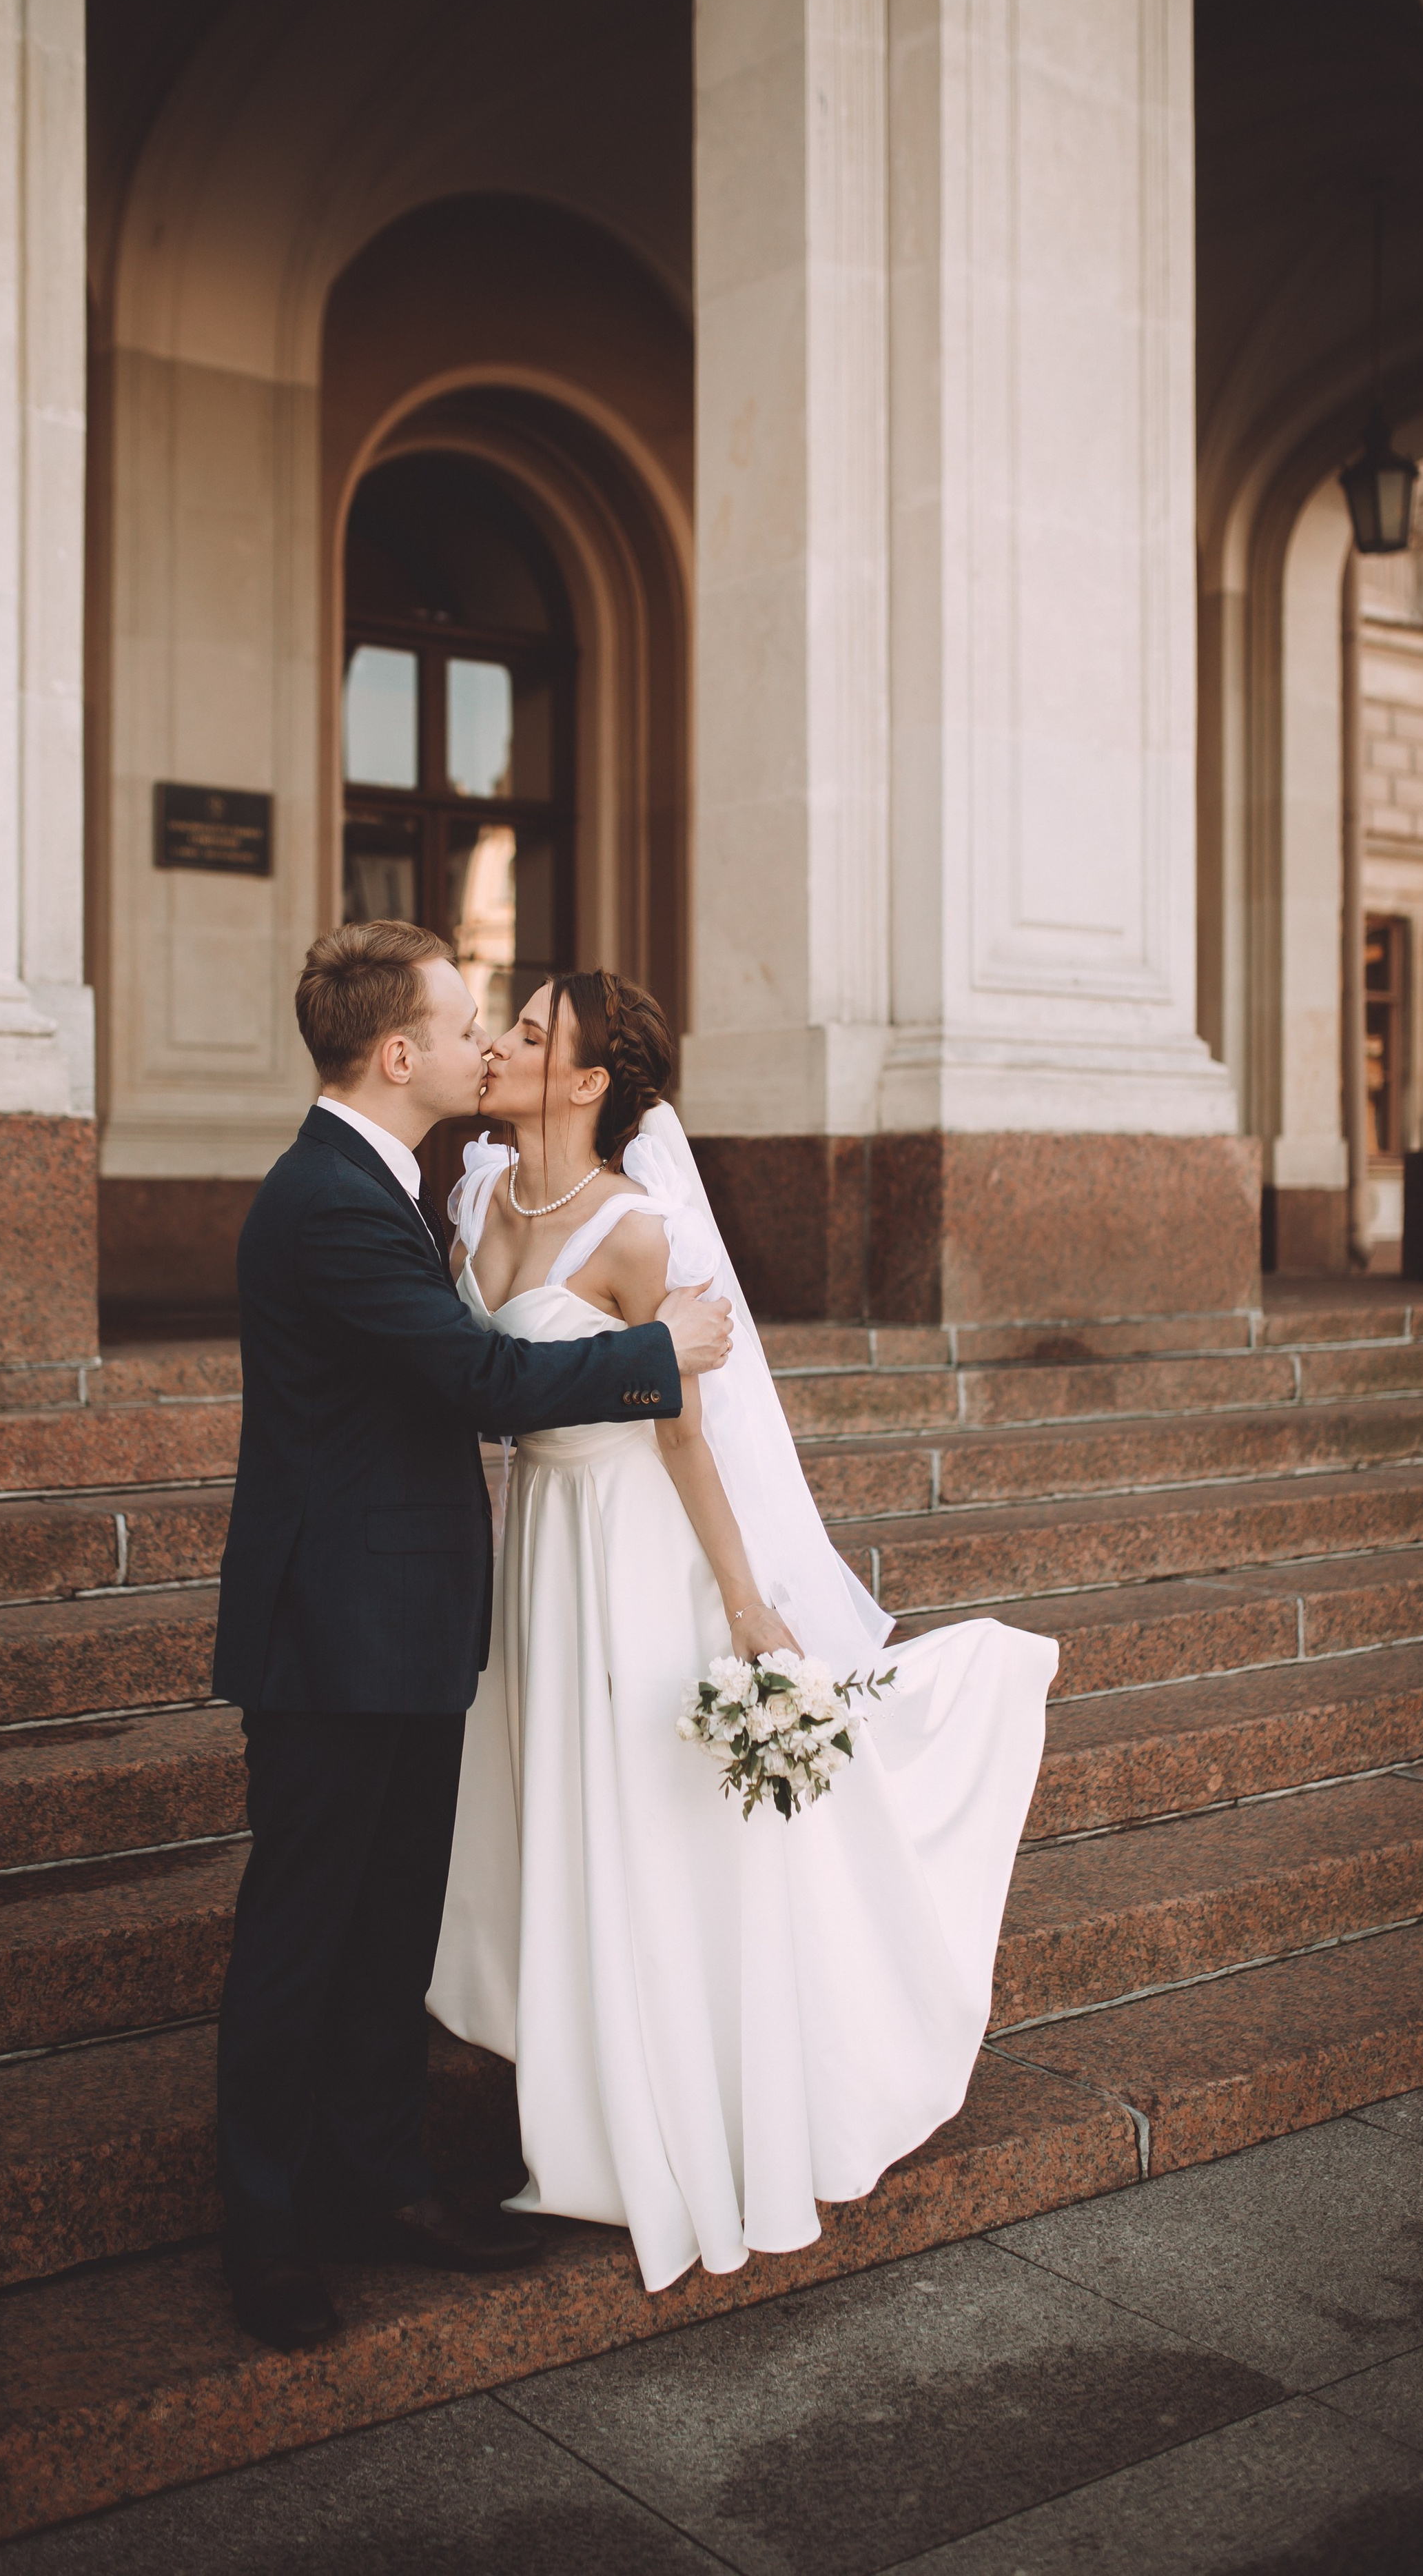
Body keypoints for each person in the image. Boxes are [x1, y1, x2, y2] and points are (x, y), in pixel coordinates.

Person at [429, 969, 1059, 2293]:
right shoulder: (479, 1194)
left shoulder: (637, 1233)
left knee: (645, 1821)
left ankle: (671, 2103)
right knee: (561, 1814)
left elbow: (688, 1441)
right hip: (537, 1544)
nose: (499, 1044)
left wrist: (744, 1599)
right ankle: (578, 2093)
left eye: (532, 1034)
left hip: (632, 1547)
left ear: (592, 1081)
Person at [211, 923, 734, 2353]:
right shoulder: (329, 1201)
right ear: (398, 1054)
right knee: (304, 1938)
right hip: (333, 1637)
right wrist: (656, 1353)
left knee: (386, 1932)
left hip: (411, 1620)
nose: (480, 1043)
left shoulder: (394, 1185)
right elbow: (471, 1374)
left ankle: (379, 2183)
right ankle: (263, 2233)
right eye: (460, 1025)